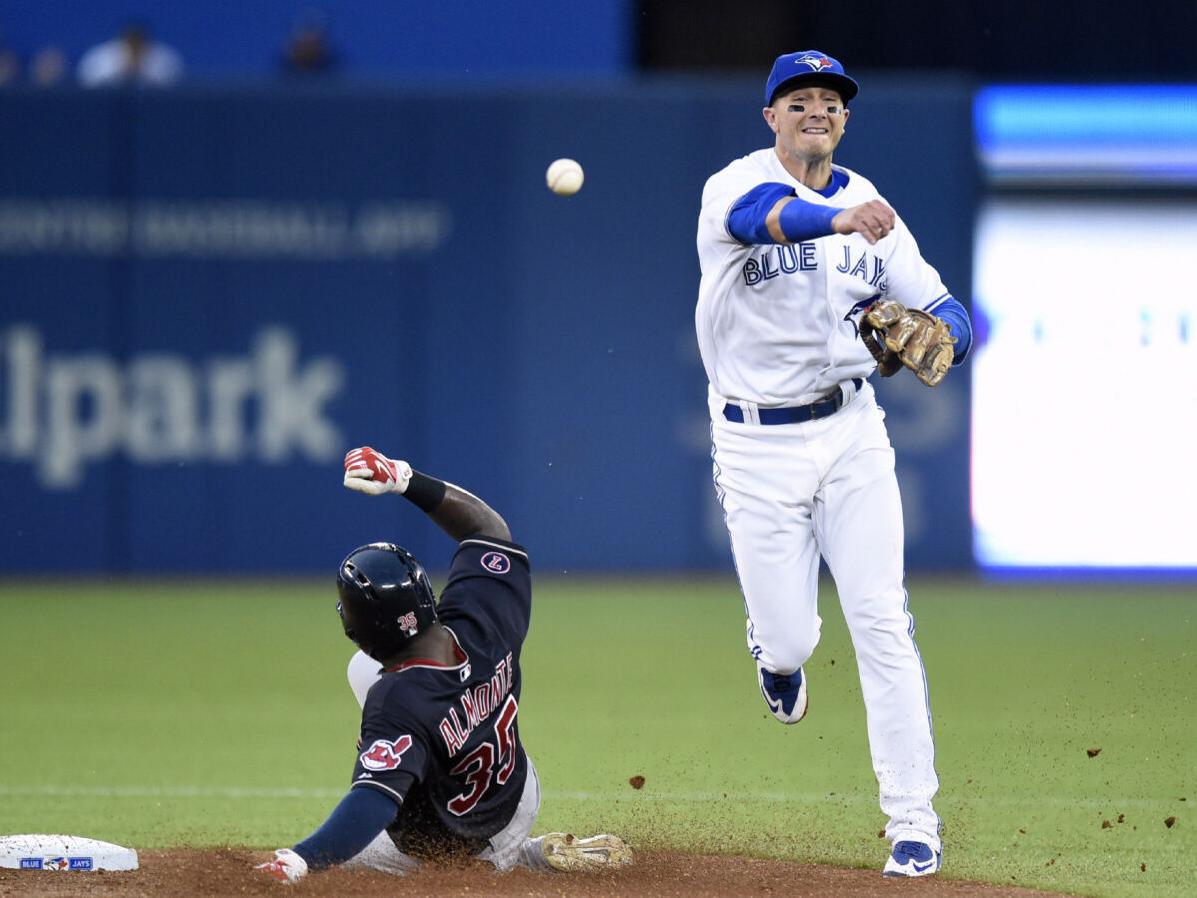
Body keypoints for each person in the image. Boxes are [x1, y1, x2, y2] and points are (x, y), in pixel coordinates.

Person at [695, 50, 973, 878]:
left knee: (882, 620)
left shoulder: (870, 202)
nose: (816, 110)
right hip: (754, 443)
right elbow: (759, 220)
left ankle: (912, 823)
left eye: (830, 101)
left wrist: (944, 340)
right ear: (771, 116)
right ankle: (774, 653)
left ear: (844, 119)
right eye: (799, 99)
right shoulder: (734, 184)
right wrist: (837, 222)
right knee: (790, 637)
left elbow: (945, 307)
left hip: (852, 434)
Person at [254, 445, 632, 884]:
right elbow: (489, 527)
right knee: (364, 671)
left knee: (337, 867)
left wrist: (302, 859)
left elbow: (372, 802)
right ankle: (514, 849)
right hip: (517, 790)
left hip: (462, 846)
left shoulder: (396, 700)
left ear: (366, 629)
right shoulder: (479, 615)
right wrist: (403, 479)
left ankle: (519, 861)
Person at [77, 22, 182, 88]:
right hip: (105, 105)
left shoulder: (163, 56)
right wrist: (122, 69)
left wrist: (141, 70)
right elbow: (88, 83)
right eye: (130, 41)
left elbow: (173, 86)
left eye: (137, 41)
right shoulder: (101, 55)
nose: (134, 45)